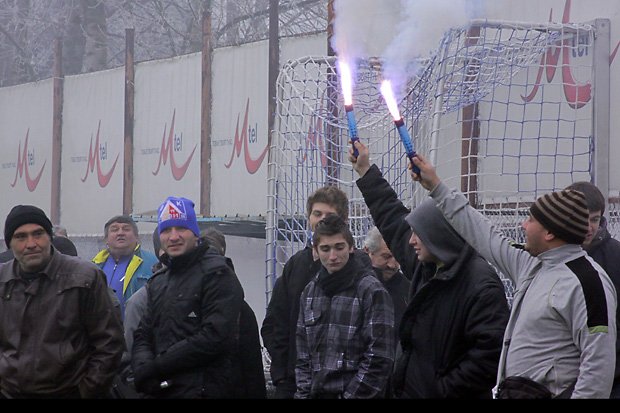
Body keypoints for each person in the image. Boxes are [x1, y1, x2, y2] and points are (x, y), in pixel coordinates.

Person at [410, 152, 617, 398]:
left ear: (549, 232)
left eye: (531, 220)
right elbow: (483, 233)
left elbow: (598, 367)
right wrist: (436, 187)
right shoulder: (531, 264)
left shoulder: (589, 283)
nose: (523, 225)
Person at [348, 141, 510, 398]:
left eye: (418, 234)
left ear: (438, 235)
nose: (411, 241)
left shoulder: (481, 286)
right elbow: (391, 219)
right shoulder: (427, 266)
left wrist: (439, 390)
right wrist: (366, 171)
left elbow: (490, 356)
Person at [0, 205, 124, 398]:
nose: (31, 243)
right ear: (9, 243)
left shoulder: (85, 277)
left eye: (38, 234)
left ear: (50, 237)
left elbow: (109, 344)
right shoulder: (2, 281)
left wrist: (87, 391)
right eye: (21, 237)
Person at [261, 185, 372, 398]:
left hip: (343, 386)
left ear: (344, 220)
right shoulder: (296, 265)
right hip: (293, 382)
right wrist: (283, 371)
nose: (321, 220)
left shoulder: (362, 271)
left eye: (329, 215)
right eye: (317, 213)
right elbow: (274, 322)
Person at [131, 196, 245, 398]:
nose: (173, 237)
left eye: (181, 228)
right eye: (166, 230)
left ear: (195, 233)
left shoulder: (218, 274)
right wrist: (143, 367)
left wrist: (157, 367)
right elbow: (143, 333)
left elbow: (214, 337)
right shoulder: (158, 282)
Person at [295, 214, 395, 399]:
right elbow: (303, 357)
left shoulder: (371, 291)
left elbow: (379, 358)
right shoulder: (309, 292)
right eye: (325, 248)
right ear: (316, 251)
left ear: (351, 248)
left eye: (339, 247)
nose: (333, 256)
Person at [566, 181, 620, 398]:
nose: (589, 227)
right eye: (583, 219)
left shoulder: (615, 256)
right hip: (565, 374)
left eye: (595, 219)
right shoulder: (551, 257)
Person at [92, 215, 159, 317]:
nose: (120, 233)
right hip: (101, 330)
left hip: (138, 329)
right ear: (106, 239)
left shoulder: (152, 262)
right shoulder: (94, 266)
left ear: (137, 237)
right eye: (114, 230)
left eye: (126, 229)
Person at [363, 226, 410, 343]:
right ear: (368, 251)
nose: (393, 265)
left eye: (397, 257)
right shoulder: (356, 285)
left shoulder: (408, 288)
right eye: (386, 257)